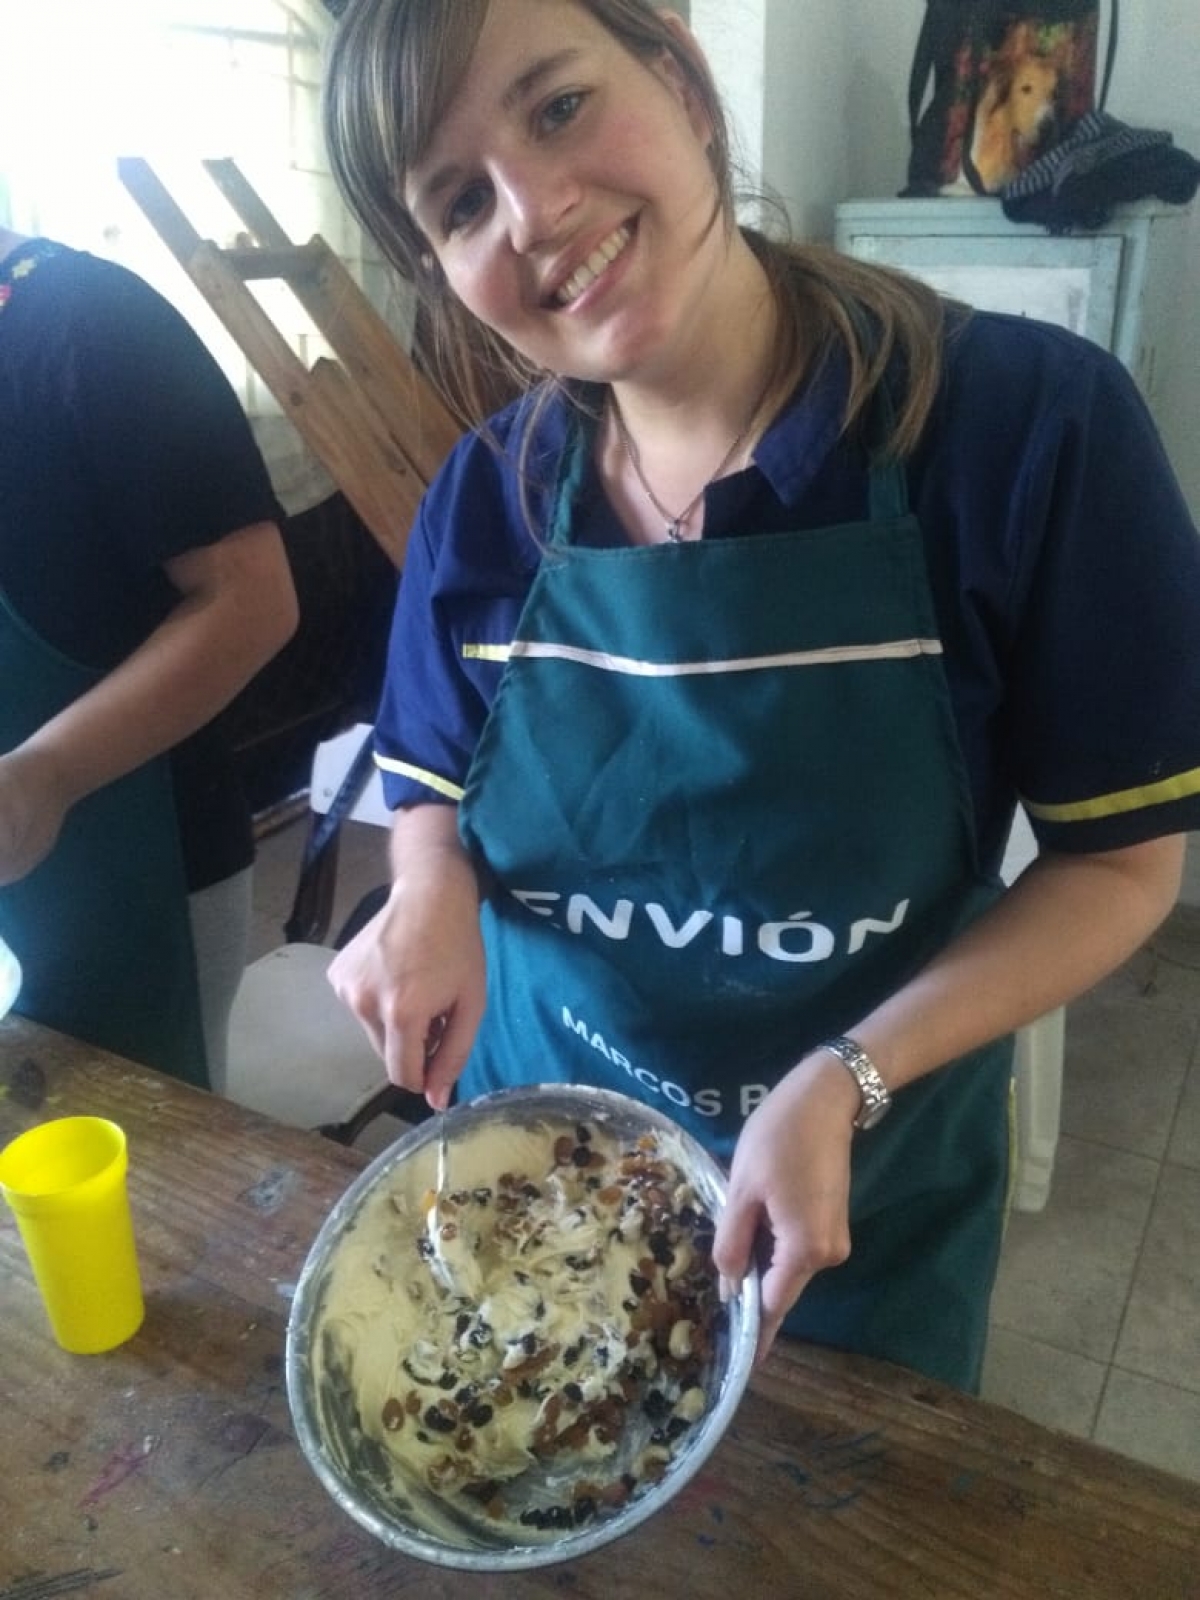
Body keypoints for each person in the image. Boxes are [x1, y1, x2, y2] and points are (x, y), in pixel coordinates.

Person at [321, 0, 1200, 1390]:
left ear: (679, 80)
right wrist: (425, 887)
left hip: (848, 1209)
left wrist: (844, 1076)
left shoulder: (1027, 428)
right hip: (549, 1187)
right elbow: (428, 776)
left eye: (557, 108)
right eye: (458, 201)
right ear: (441, 272)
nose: (537, 210)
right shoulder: (486, 495)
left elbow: (1123, 865)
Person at [0, 227, 299, 1089]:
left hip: (135, 877)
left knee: (140, 1182)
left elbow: (252, 600)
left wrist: (45, 776)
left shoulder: (92, 324)